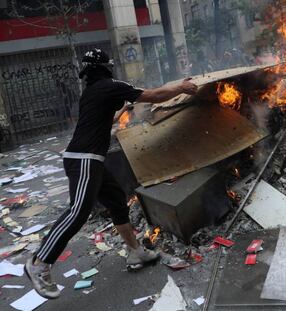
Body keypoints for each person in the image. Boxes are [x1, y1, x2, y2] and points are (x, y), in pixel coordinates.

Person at [25, 48, 198, 299]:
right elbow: (153, 95)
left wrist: (122, 111)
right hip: (85, 159)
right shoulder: (110, 85)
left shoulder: (92, 92)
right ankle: (40, 263)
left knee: (116, 199)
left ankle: (136, 250)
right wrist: (181, 87)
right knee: (78, 211)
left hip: (89, 159)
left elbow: (107, 119)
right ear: (106, 67)